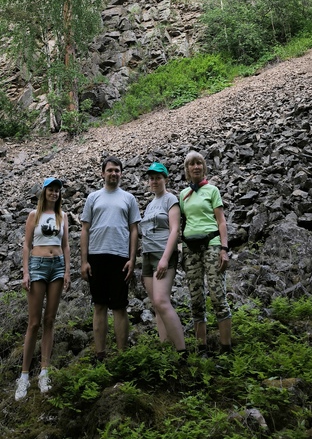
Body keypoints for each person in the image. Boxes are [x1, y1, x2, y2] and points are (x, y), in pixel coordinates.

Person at [15, 177, 71, 401]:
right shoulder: (33, 215)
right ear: (44, 192)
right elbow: (27, 245)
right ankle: (24, 376)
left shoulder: (63, 216)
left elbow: (65, 245)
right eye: (51, 190)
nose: (54, 194)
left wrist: (67, 271)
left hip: (57, 266)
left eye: (57, 190)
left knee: (50, 320)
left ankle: (44, 372)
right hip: (37, 266)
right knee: (34, 322)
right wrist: (25, 272)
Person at [80, 156, 140, 360]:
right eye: (110, 170)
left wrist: (132, 258)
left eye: (117, 170)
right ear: (102, 173)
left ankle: (122, 354)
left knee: (120, 306)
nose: (114, 173)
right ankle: (100, 354)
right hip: (96, 256)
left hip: (120, 257)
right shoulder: (93, 197)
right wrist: (84, 260)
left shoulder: (129, 198)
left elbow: (134, 230)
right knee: (99, 305)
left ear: (121, 173)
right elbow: (85, 229)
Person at [179, 150, 231, 356]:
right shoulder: (183, 195)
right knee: (196, 298)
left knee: (218, 295)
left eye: (199, 163)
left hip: (211, 245)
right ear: (187, 169)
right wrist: (179, 251)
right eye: (192, 164)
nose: (196, 166)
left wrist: (224, 249)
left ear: (204, 166)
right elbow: (181, 225)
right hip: (190, 250)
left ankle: (226, 348)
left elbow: (221, 221)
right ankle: (202, 348)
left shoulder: (212, 190)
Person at [139, 162, 186, 352]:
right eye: (151, 178)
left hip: (162, 254)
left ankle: (182, 351)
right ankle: (165, 348)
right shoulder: (150, 204)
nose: (154, 181)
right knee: (156, 305)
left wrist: (165, 258)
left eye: (158, 177)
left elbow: (175, 230)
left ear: (165, 179)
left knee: (161, 301)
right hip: (148, 256)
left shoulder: (170, 199)